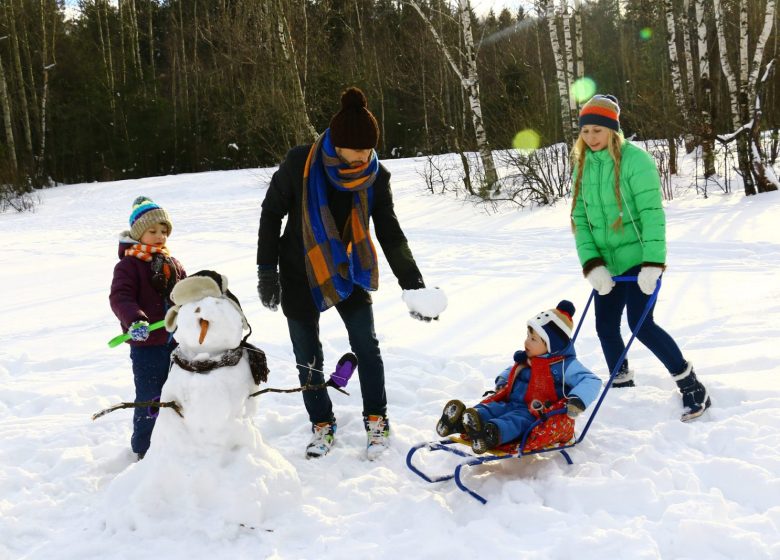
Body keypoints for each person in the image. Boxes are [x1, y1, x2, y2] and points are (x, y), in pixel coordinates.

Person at [257, 86, 446, 460]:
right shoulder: (300, 164)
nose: (363, 156)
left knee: (367, 346)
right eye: (356, 150)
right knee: (306, 355)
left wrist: (414, 284)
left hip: (347, 269)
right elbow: (270, 213)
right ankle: (321, 424)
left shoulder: (376, 176)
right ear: (337, 144)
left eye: (369, 149)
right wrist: (267, 270)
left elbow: (389, 231)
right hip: (298, 268)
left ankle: (377, 418)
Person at [570, 94, 711, 422]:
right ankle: (621, 383)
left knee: (639, 323)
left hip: (639, 259)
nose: (591, 138)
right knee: (605, 325)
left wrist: (652, 263)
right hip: (607, 264)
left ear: (613, 131)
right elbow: (579, 217)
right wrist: (592, 265)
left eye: (598, 131)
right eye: (586, 131)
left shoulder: (636, 161)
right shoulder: (581, 163)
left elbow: (651, 215)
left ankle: (691, 386)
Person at [436, 300, 602, 454]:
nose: (527, 342)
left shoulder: (565, 365)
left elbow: (591, 380)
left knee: (515, 421)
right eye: (528, 336)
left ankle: (491, 434)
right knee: (493, 409)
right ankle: (462, 421)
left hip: (533, 412)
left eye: (533, 339)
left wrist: (577, 399)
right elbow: (513, 370)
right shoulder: (529, 359)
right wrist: (503, 380)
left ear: (552, 346)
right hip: (511, 402)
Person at [110, 196, 186, 460]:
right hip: (147, 345)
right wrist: (135, 320)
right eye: (152, 231)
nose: (160, 236)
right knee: (151, 397)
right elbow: (121, 297)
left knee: (180, 391)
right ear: (138, 233)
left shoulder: (172, 263)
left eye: (164, 231)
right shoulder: (128, 266)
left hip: (178, 342)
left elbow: (185, 294)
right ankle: (144, 448)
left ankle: (180, 439)